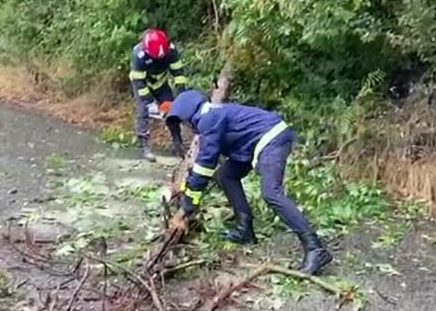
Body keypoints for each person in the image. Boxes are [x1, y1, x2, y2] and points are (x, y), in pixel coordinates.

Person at [165, 90, 334, 276]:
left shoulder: (208, 118)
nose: (186, 127)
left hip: (271, 138)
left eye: (183, 122)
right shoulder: (212, 115)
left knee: (271, 193)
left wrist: (186, 209)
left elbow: (205, 166)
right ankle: (245, 230)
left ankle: (315, 248)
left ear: (188, 114)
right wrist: (190, 186)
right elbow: (204, 164)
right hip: (252, 143)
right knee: (226, 175)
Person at [129, 29, 188, 161]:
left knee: (171, 112)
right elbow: (139, 82)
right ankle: (145, 147)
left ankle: (177, 143)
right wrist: (149, 102)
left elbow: (178, 73)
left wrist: (181, 93)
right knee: (143, 112)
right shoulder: (139, 55)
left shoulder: (170, 50)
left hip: (161, 84)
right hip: (143, 85)